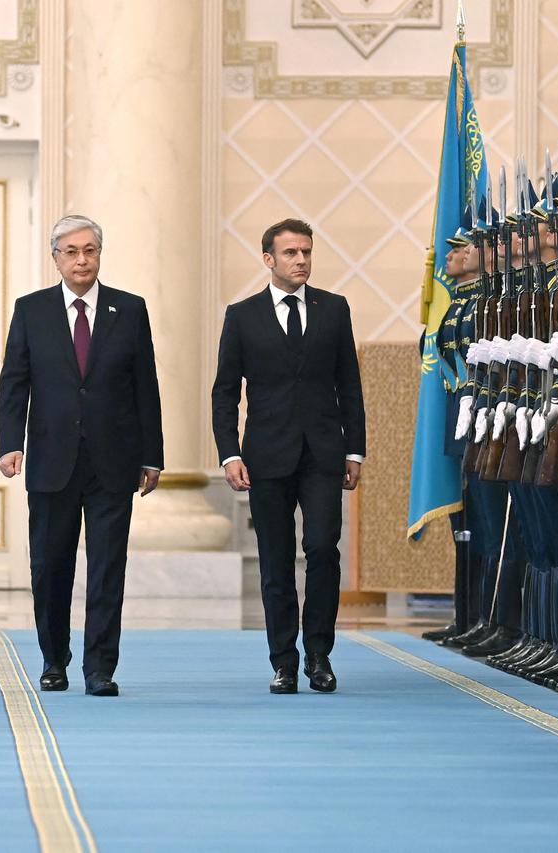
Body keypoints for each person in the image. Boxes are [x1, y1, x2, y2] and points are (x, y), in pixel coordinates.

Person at [0, 214, 164, 698]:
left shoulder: (129, 310)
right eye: (70, 252)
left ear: (99, 255)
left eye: (89, 250)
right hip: (51, 460)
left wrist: (152, 454)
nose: (81, 260)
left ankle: (100, 668)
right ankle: (54, 660)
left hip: (115, 460)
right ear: (56, 258)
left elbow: (145, 386)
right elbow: (15, 382)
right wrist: (11, 442)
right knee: (50, 566)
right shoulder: (32, 310)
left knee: (108, 566)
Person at [211, 218, 366, 694]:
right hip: (265, 456)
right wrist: (228, 454)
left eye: (306, 252)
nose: (301, 260)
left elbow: (349, 386)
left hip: (322, 453)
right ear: (269, 259)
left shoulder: (333, 309)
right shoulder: (242, 315)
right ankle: (283, 660)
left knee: (322, 549)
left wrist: (354, 449)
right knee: (275, 560)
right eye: (291, 253)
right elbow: (224, 392)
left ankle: (320, 655)